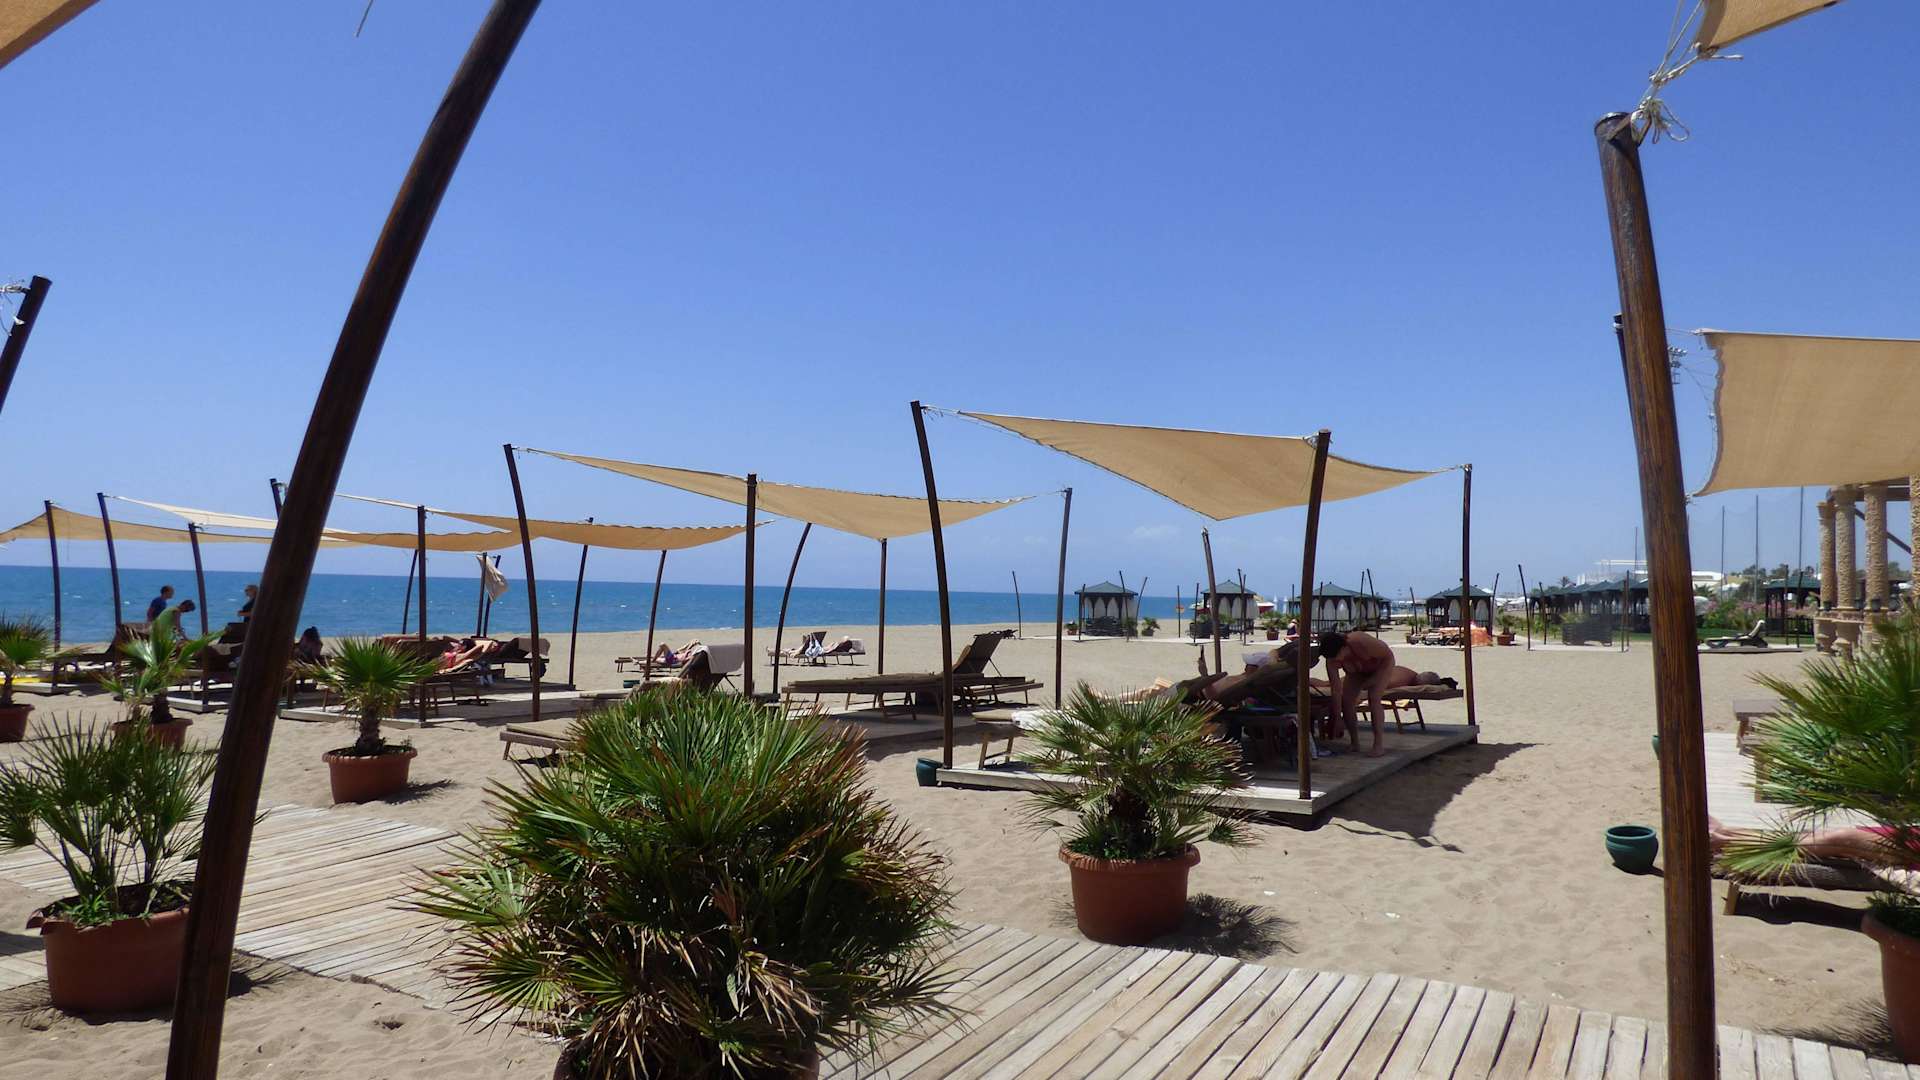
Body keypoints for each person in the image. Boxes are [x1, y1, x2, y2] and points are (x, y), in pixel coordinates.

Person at [1319, 630, 1400, 758]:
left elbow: (1387, 656)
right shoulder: (1331, 660)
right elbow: (1336, 690)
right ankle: (1354, 742)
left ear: (1343, 647)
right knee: (1347, 701)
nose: (1335, 660)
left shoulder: (1360, 641)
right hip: (1356, 672)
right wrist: (1337, 717)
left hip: (1382, 665)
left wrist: (1374, 680)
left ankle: (1378, 745)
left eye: (1336, 656)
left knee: (1374, 698)